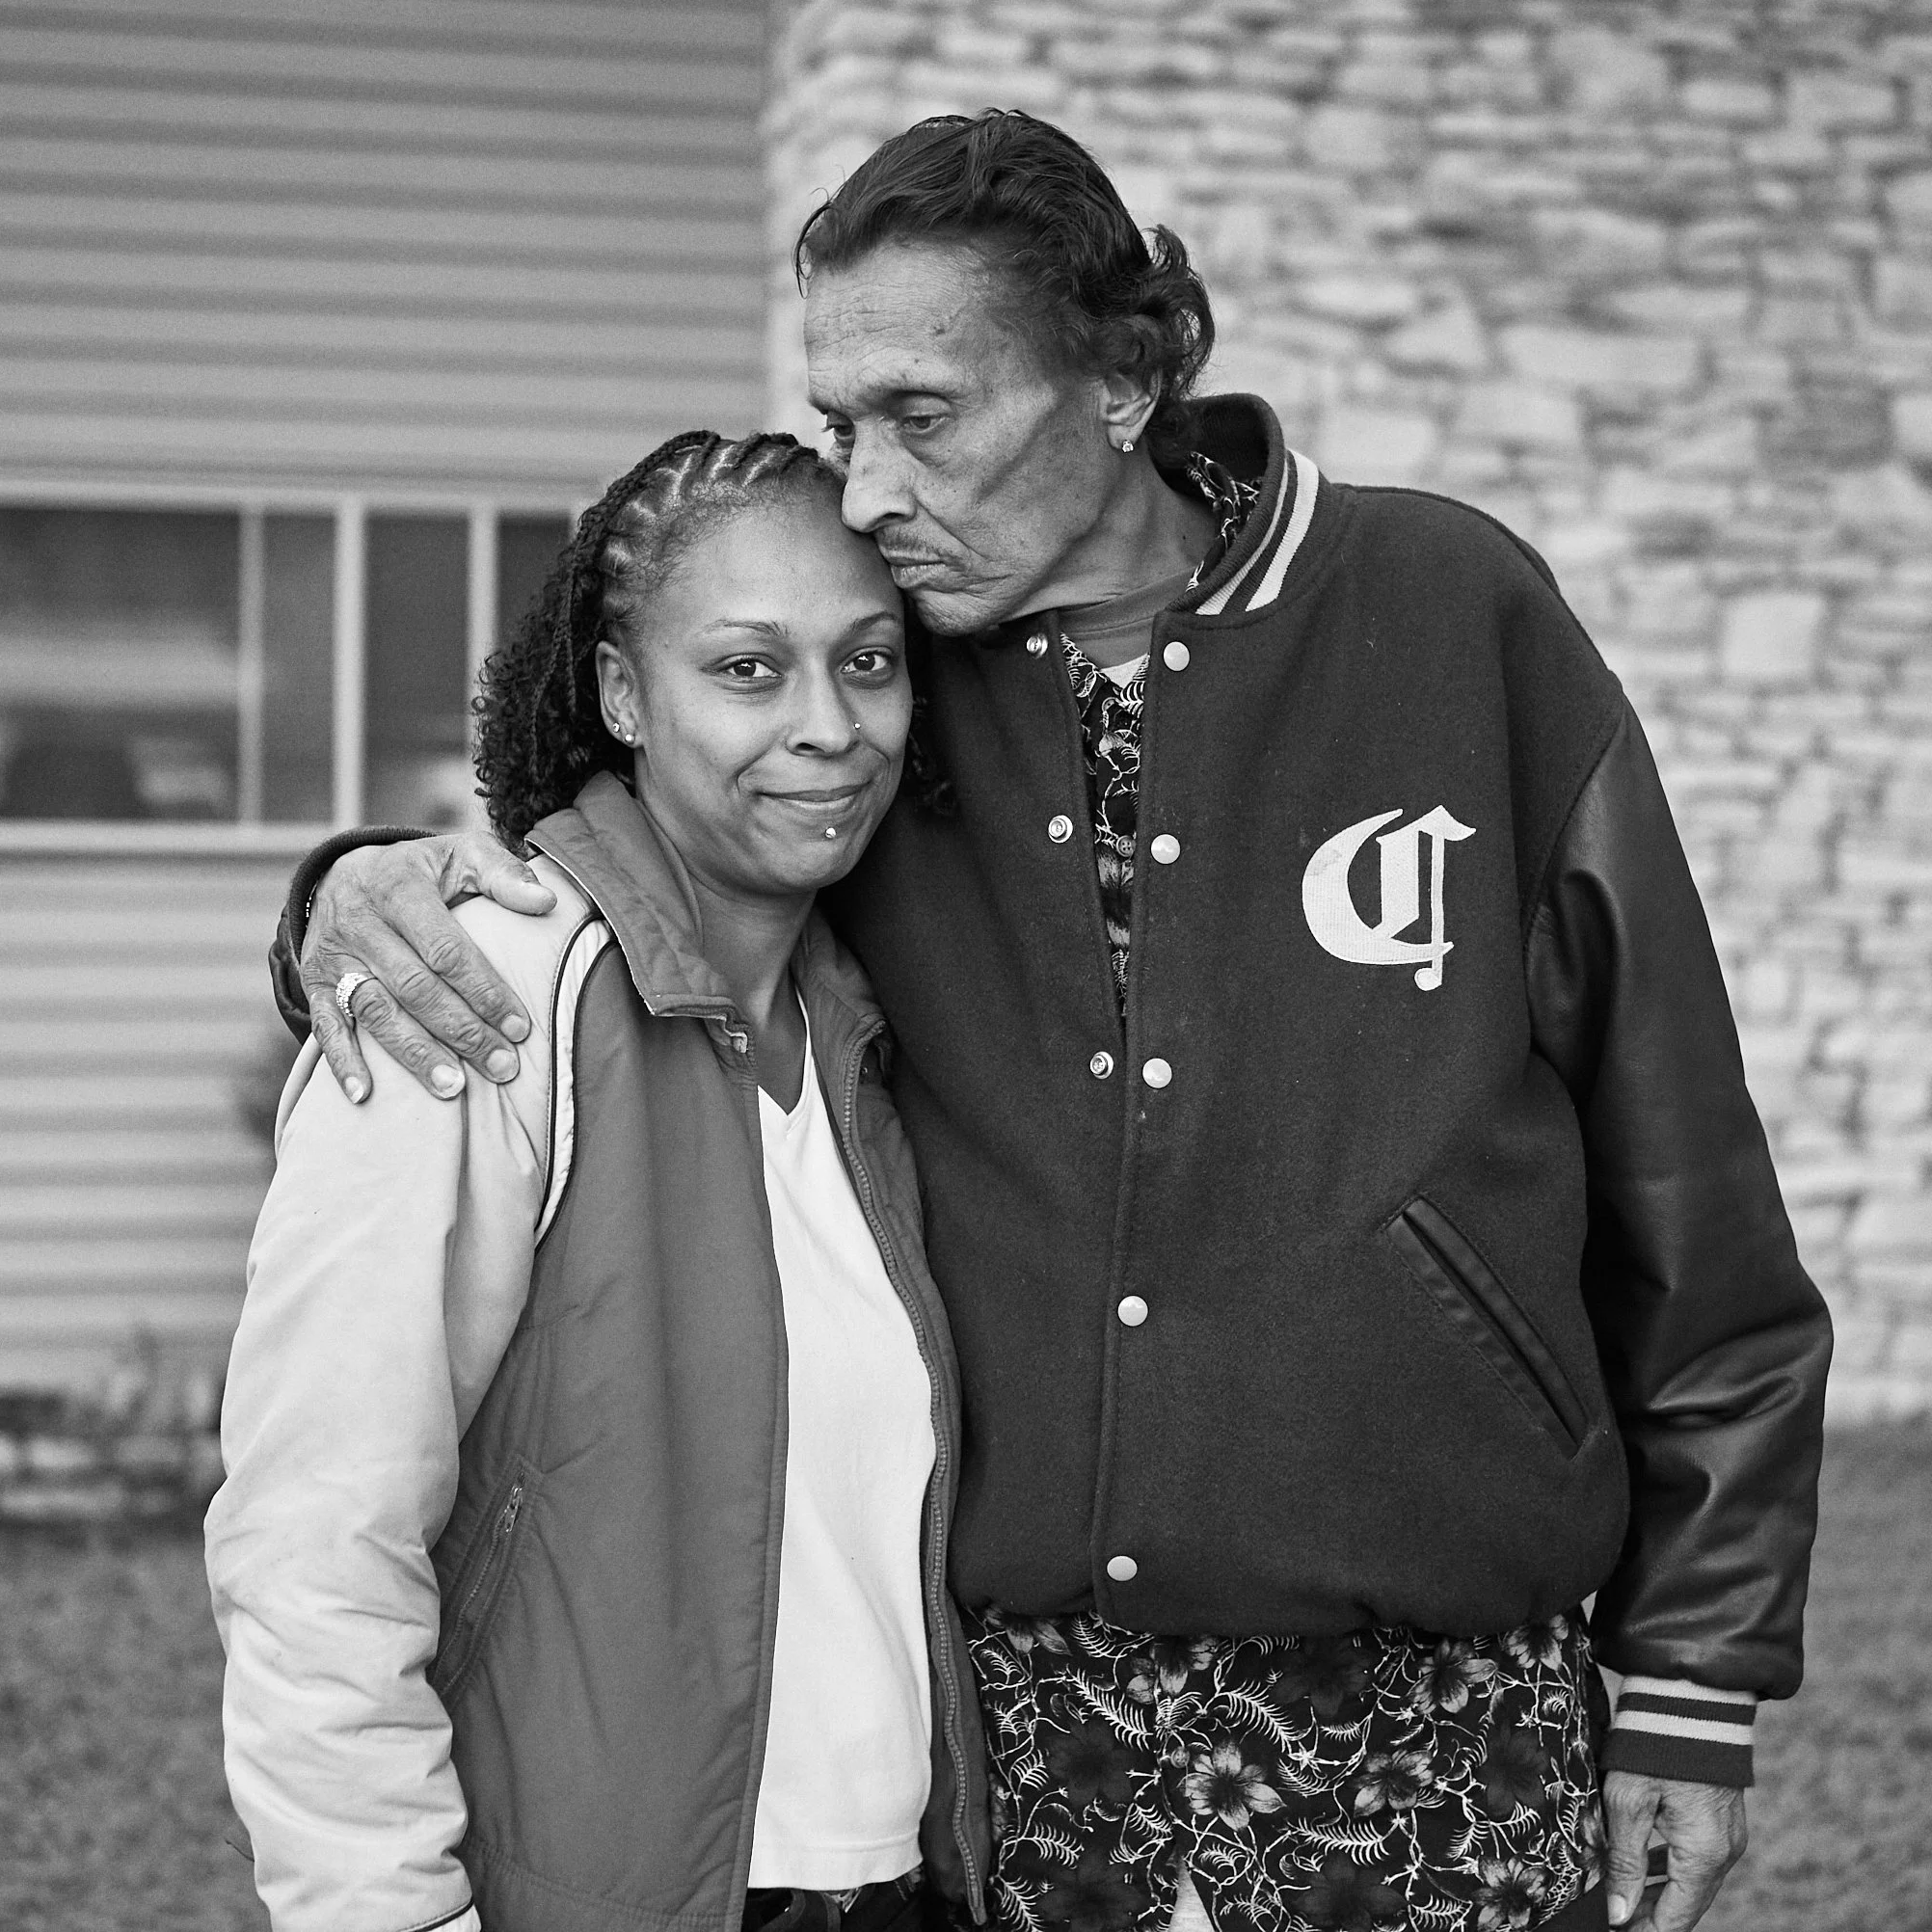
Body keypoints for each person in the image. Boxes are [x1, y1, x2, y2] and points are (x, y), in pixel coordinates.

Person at [267, 115, 1831, 1932]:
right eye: (841, 424)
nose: (860, 492)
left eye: (920, 416)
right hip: (1026, 1749)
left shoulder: (1450, 613)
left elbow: (1688, 1190)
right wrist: (350, 892)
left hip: (1450, 1725)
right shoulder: (884, 681)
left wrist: (1696, 1684)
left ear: (1124, 375)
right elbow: (640, 833)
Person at [207, 431, 987, 1932]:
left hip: (896, 1885)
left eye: (869, 662)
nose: (829, 726)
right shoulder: (474, 991)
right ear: (625, 695)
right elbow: (315, 1541)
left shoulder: (869, 1024)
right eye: (749, 670)